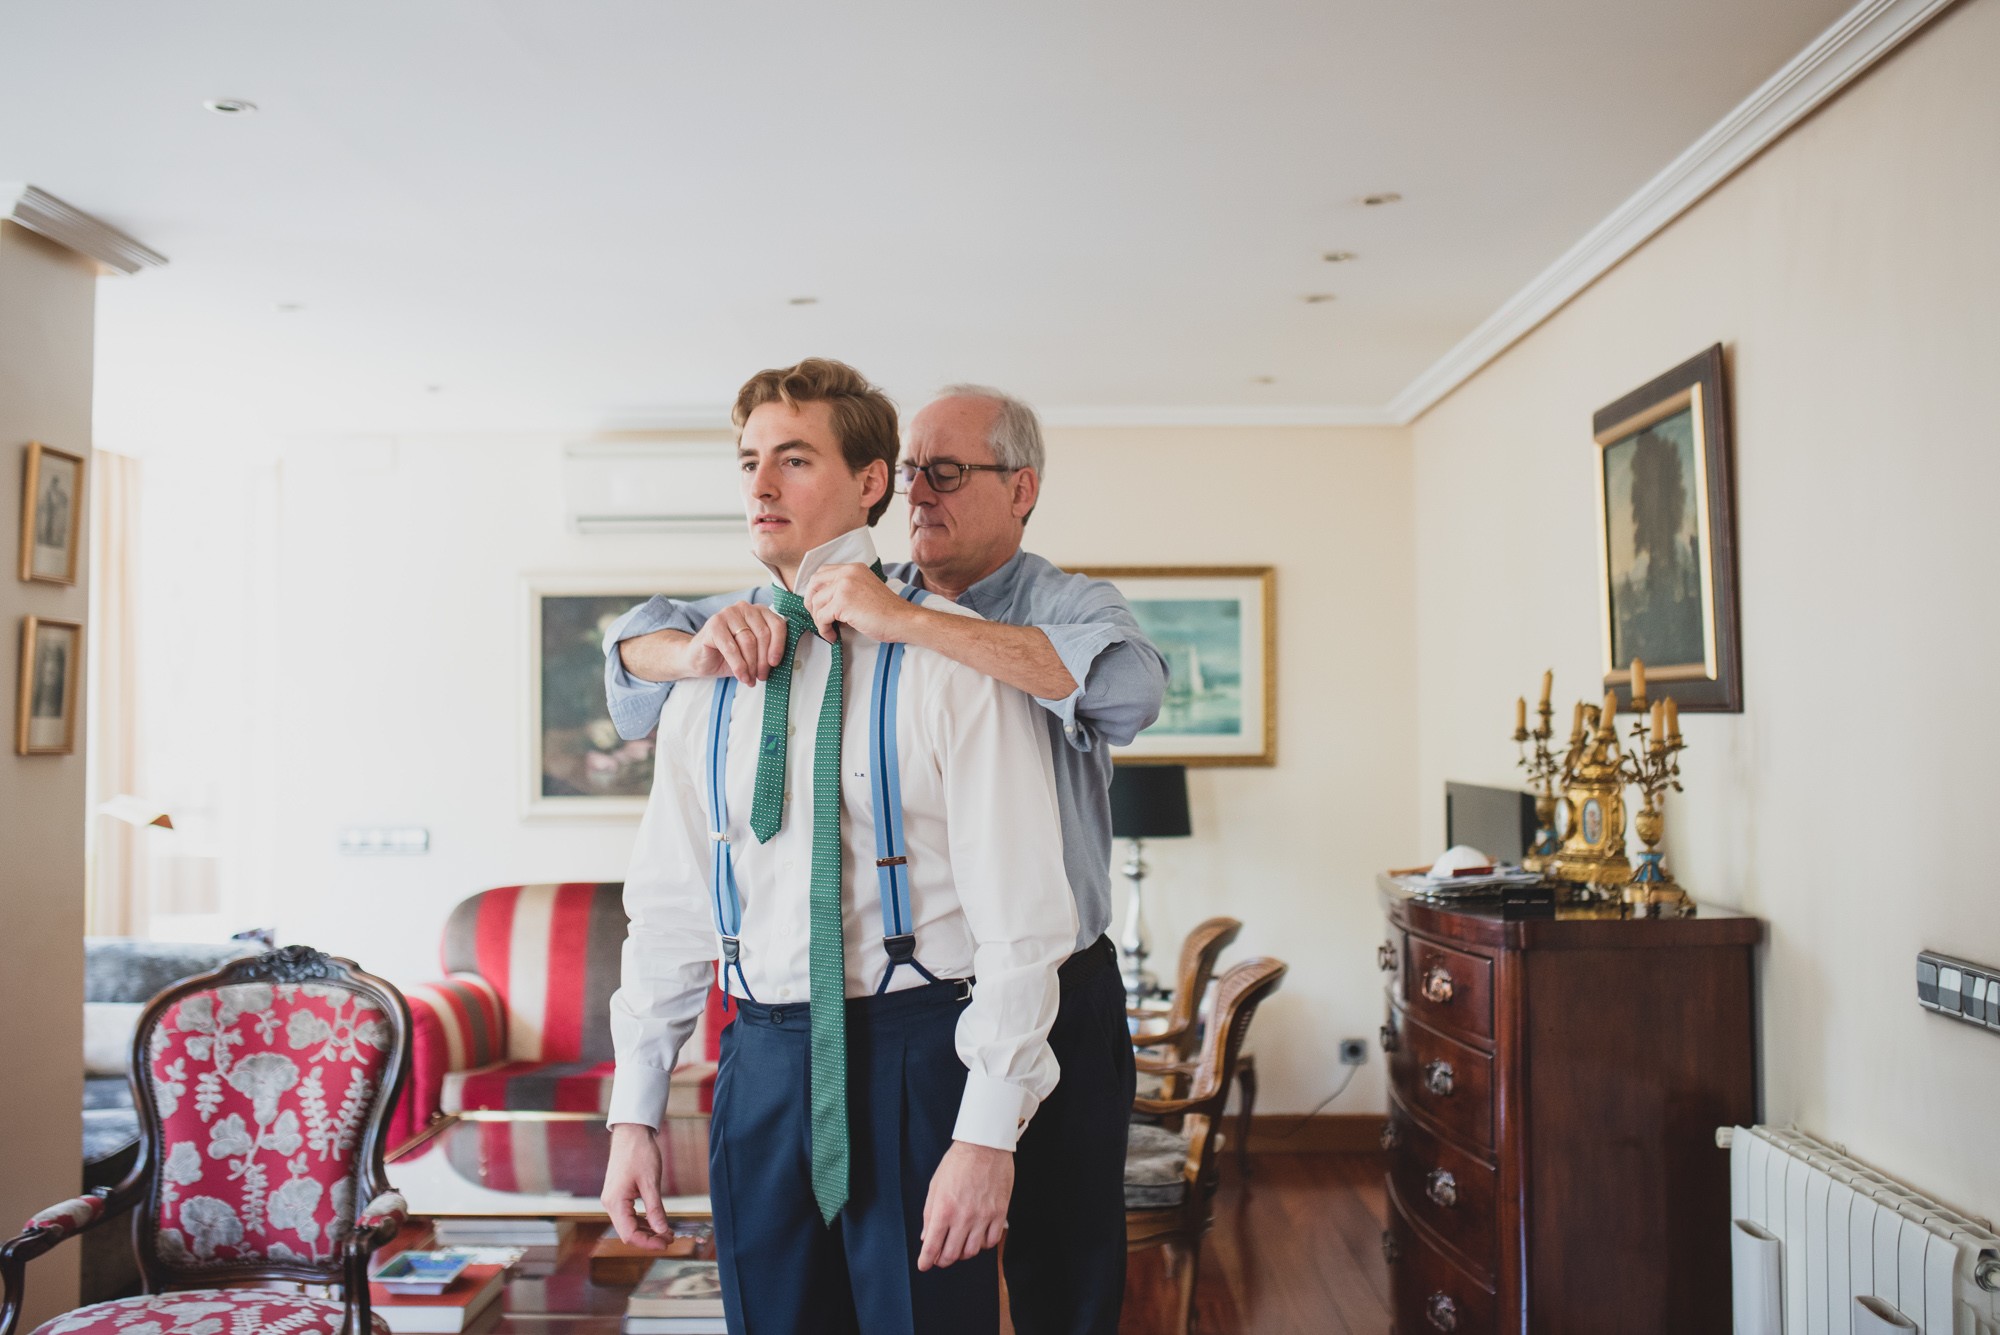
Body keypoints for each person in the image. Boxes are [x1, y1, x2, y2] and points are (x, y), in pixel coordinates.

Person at [603, 385, 1167, 1335]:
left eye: (943, 473)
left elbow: (1125, 699)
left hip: (971, 1018)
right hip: (765, 1053)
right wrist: (635, 1109)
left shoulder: (976, 647)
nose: (920, 494)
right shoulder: (718, 665)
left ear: (1020, 488)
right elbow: (667, 906)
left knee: (1057, 1276)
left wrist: (984, 1130)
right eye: (749, 462)